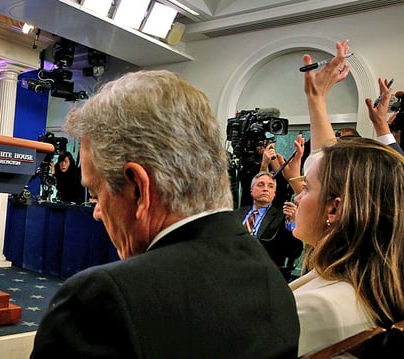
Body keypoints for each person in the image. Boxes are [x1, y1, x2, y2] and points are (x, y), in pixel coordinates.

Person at [30, 70, 299, 358]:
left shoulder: (102, 301)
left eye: (96, 193)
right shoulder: (271, 277)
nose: (96, 212)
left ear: (138, 189)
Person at [290, 39, 404, 356]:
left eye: (307, 188)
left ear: (335, 209)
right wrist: (316, 99)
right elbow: (330, 171)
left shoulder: (319, 307)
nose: (299, 196)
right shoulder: (371, 283)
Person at [235, 171, 303, 281]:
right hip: (233, 267)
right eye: (261, 185)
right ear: (251, 190)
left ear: (274, 193)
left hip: (263, 275)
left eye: (270, 186)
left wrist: (292, 223)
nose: (266, 189)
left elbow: (294, 252)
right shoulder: (237, 214)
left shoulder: (282, 217)